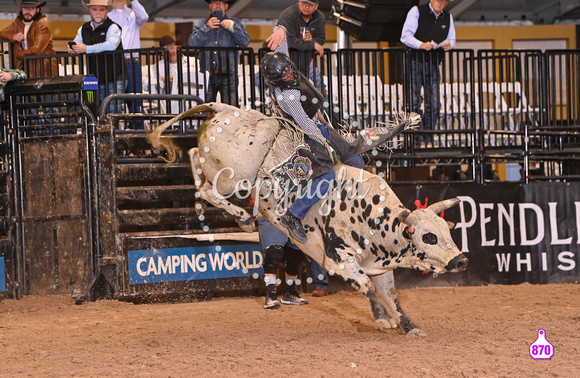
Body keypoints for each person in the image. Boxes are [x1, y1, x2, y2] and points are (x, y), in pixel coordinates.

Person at [262, 27, 409, 244]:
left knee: (355, 159)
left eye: (288, 70)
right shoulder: (288, 95)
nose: (289, 74)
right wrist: (325, 143)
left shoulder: (284, 70)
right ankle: (294, 215)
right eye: (284, 74)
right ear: (276, 79)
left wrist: (281, 30)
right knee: (326, 176)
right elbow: (304, 124)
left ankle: (346, 203)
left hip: (319, 125)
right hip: (309, 135)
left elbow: (282, 44)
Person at [400, 0, 456, 140]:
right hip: (414, 61)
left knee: (435, 104)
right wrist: (420, 45)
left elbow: (452, 39)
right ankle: (415, 137)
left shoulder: (448, 17)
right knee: (413, 102)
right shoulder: (417, 11)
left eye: (444, 1)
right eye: (438, 0)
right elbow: (405, 36)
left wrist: (450, 44)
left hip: (433, 63)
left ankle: (428, 136)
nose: (440, 3)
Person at [188, 0, 250, 106]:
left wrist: (233, 27)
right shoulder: (202, 23)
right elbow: (192, 43)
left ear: (226, 6)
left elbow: (245, 42)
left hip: (228, 73)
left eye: (221, 2)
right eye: (215, 2)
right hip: (207, 74)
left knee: (230, 109)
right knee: (206, 109)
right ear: (210, 6)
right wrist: (207, 28)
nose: (218, 5)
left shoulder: (235, 22)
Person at [70, 0, 125, 114]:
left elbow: (111, 45)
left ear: (106, 11)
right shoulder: (84, 28)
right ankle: (100, 131)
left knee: (113, 110)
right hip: (95, 77)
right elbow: (75, 43)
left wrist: (86, 49)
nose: (98, 13)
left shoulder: (113, 27)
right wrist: (72, 49)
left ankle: (111, 131)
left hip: (115, 76)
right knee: (96, 109)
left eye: (101, 10)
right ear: (90, 11)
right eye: (94, 9)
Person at [143, 35, 206, 114]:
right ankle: (169, 122)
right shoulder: (158, 66)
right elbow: (145, 85)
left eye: (172, 48)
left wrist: (179, 81)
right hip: (168, 104)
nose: (170, 52)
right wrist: (162, 82)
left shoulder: (193, 62)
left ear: (178, 47)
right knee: (163, 102)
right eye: (165, 50)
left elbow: (204, 81)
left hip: (192, 100)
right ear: (162, 53)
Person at [108, 0, 149, 124]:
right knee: (116, 101)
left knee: (135, 100)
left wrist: (134, 1)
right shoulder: (109, 15)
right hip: (116, 61)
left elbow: (144, 17)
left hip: (131, 61)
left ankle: (136, 133)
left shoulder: (133, 13)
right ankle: (116, 133)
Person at [259, 217, 309, 309]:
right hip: (272, 212)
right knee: (274, 252)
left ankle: (289, 292)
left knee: (296, 253)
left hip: (293, 215)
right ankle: (271, 294)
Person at [277, 0, 326, 93]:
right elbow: (288, 40)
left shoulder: (320, 17)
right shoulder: (288, 15)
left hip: (304, 64)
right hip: (284, 64)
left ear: (316, 6)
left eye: (310, 5)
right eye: (304, 3)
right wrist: (312, 44)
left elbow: (321, 39)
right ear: (299, 2)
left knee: (300, 93)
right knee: (286, 93)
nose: (307, 7)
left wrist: (312, 40)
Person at [0, 0, 56, 77]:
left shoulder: (42, 23)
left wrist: (20, 54)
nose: (28, 11)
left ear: (38, 9)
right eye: (25, 8)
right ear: (21, 9)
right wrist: (13, 36)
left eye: (32, 8)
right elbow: (2, 33)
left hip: (41, 69)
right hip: (26, 66)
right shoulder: (19, 21)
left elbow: (36, 49)